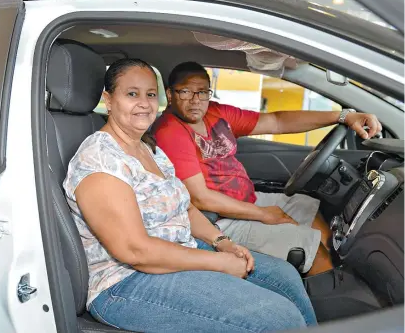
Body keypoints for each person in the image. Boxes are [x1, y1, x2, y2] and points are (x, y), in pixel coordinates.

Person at [63, 58, 317, 332]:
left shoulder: (149, 148)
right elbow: (135, 251)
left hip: (181, 252)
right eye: (132, 94)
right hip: (126, 282)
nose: (145, 103)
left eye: (150, 95)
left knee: (284, 277)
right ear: (109, 100)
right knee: (280, 319)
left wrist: (222, 242)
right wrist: (219, 263)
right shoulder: (100, 160)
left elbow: (185, 207)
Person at [152, 61, 382, 276]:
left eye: (202, 92)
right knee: (304, 243)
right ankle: (338, 295)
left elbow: (276, 121)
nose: (195, 100)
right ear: (171, 95)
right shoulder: (170, 131)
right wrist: (264, 214)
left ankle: (340, 267)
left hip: (246, 201)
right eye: (186, 91)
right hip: (218, 220)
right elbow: (201, 199)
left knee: (305, 205)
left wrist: (343, 116)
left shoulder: (215, 112)